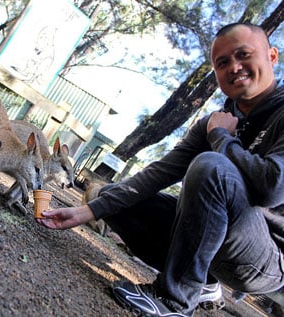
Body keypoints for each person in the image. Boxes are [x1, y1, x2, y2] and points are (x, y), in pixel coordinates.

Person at [37, 22, 284, 316]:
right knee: (112, 197)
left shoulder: (248, 122)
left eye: (244, 54)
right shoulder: (216, 121)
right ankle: (203, 280)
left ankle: (173, 301)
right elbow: (158, 173)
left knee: (211, 167)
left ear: (271, 56)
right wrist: (88, 210)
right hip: (217, 241)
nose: (234, 67)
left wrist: (222, 140)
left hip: (265, 259)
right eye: (223, 62)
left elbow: (273, 188)